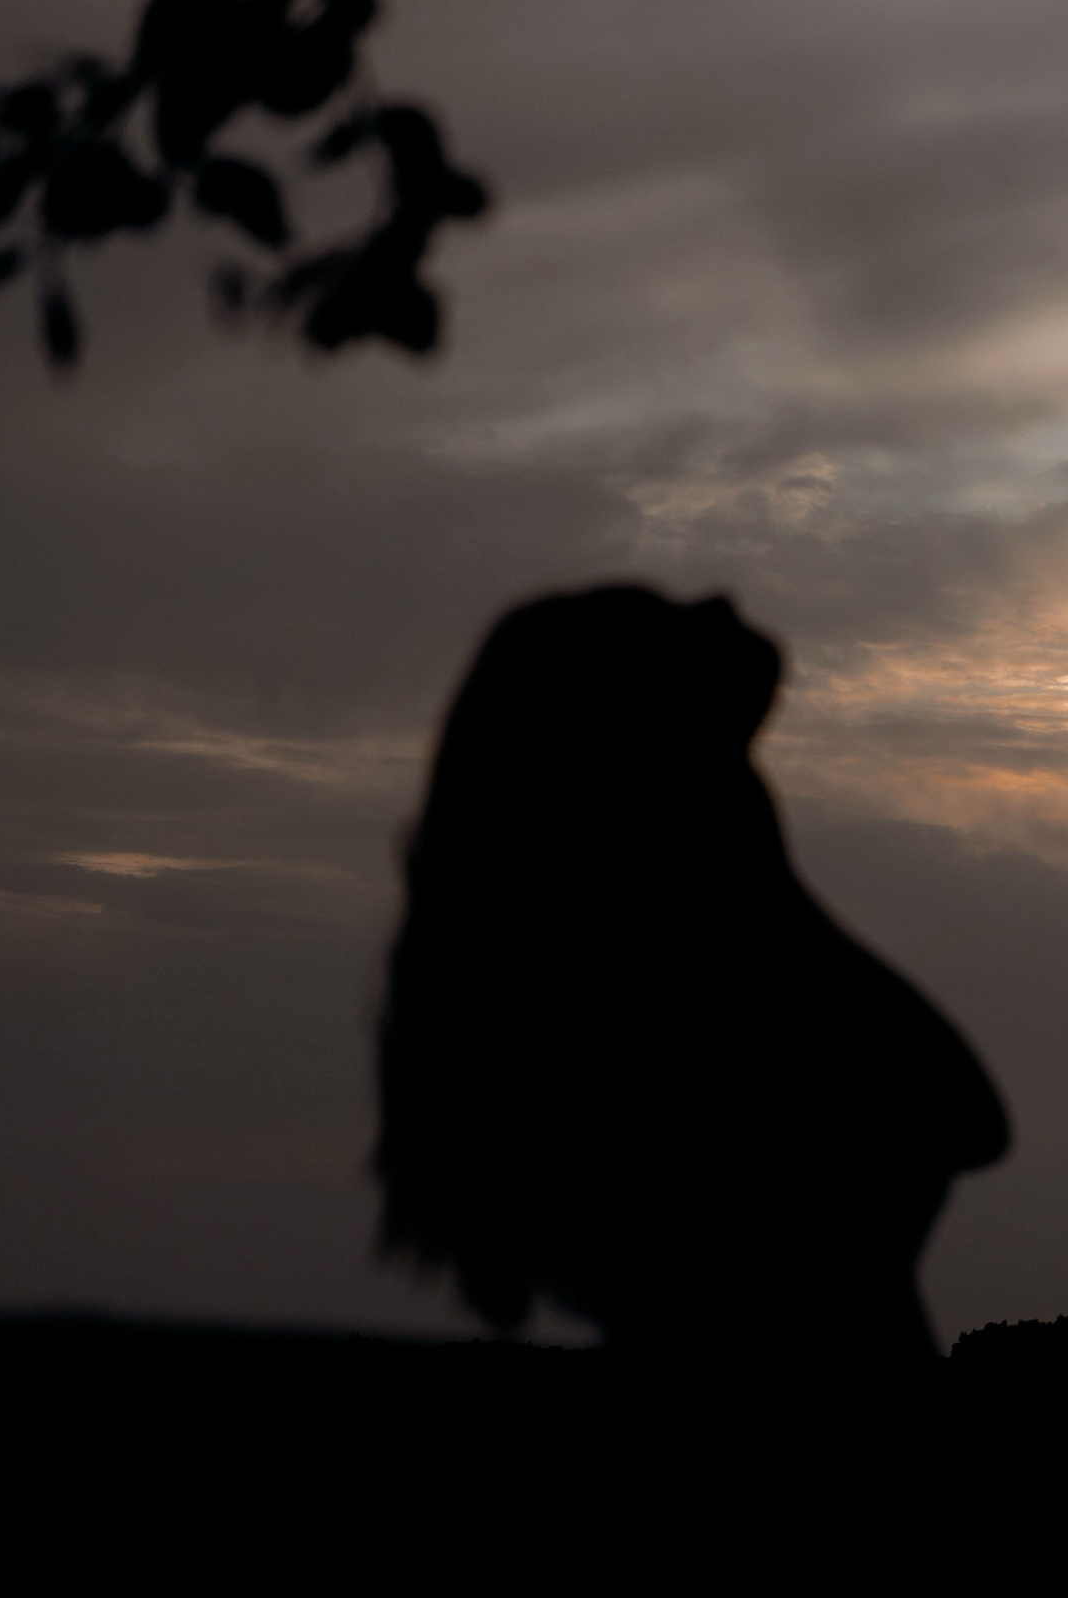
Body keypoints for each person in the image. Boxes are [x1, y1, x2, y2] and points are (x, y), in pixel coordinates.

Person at [374, 584, 1007, 1370]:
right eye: (665, 615)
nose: (716, 598)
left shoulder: (669, 1003)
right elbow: (964, 1114)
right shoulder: (669, 1043)